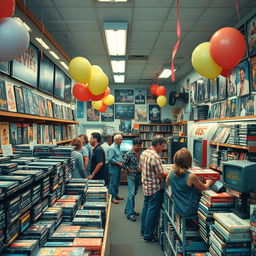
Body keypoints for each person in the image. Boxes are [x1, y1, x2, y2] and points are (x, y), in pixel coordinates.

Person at [166, 148, 213, 217]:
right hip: (189, 210)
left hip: (177, 208)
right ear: (189, 161)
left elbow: (167, 182)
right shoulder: (191, 176)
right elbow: (204, 188)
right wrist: (209, 182)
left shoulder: (171, 173)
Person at [139, 136, 168, 242]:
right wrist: (170, 173)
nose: (163, 149)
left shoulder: (144, 152)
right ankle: (148, 235)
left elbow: (141, 168)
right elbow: (161, 176)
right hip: (154, 187)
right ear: (158, 144)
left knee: (146, 208)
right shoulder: (156, 157)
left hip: (146, 185)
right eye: (163, 146)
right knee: (152, 210)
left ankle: (143, 230)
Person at [124, 138, 142, 222]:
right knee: (131, 194)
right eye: (137, 146)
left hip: (138, 175)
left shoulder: (141, 153)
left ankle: (128, 209)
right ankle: (130, 214)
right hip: (131, 176)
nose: (138, 147)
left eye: (139, 146)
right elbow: (124, 164)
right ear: (133, 145)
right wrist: (128, 169)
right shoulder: (129, 153)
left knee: (134, 193)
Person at [108, 134, 124, 204]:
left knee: (117, 182)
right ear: (116, 140)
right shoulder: (112, 148)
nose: (122, 140)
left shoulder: (118, 147)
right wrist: (119, 163)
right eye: (120, 139)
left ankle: (115, 195)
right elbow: (110, 159)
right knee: (113, 183)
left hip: (118, 167)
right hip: (114, 167)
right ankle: (112, 198)